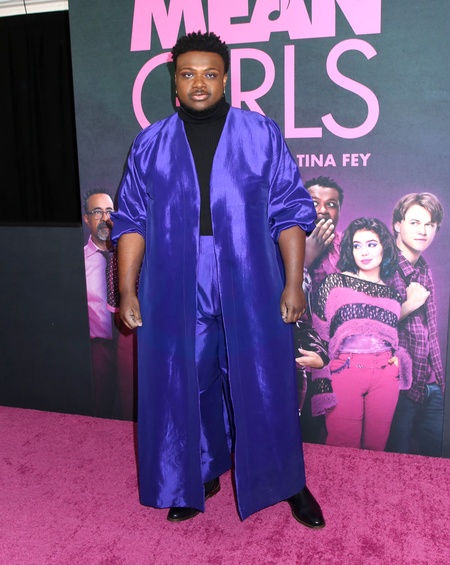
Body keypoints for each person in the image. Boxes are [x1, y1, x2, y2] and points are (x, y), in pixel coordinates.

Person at [112, 31, 325, 527]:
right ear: (174, 81)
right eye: (188, 74)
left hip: (251, 273)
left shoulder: (260, 133)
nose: (199, 83)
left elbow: (290, 210)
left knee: (265, 380)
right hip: (174, 278)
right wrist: (126, 289)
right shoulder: (150, 143)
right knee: (187, 381)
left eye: (210, 74)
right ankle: (197, 473)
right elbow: (132, 221)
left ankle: (287, 481)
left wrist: (293, 282)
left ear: (225, 78)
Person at [312, 218, 412, 451]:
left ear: (384, 248)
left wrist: (398, 359)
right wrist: (321, 372)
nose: (363, 252)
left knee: (377, 447)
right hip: (345, 369)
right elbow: (318, 331)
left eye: (371, 244)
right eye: (357, 246)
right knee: (342, 446)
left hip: (385, 375)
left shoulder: (393, 295)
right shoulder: (335, 283)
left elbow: (391, 337)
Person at [385, 193, 444, 456]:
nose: (423, 231)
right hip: (399, 386)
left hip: (431, 384)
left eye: (429, 224)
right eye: (414, 223)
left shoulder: (424, 268)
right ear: (397, 225)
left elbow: (429, 333)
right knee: (395, 463)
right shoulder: (382, 264)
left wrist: (439, 382)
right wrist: (409, 305)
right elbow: (367, 324)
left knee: (437, 464)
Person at [83, 188, 117, 418]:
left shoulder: (129, 254)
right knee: (100, 411)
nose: (105, 218)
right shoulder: (79, 262)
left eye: (109, 211)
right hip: (99, 349)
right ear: (86, 219)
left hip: (130, 345)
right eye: (97, 212)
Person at [304, 176, 344, 294]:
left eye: (331, 204)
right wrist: (305, 259)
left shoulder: (351, 244)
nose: (323, 210)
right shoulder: (284, 243)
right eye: (314, 203)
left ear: (339, 211)